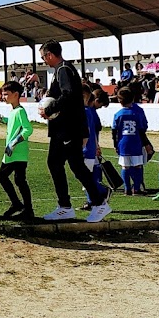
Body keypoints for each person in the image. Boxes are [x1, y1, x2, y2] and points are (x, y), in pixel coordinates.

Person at [38, 40, 112, 222]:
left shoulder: (63, 69)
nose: (43, 61)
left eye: (43, 57)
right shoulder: (65, 69)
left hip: (67, 129)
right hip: (68, 128)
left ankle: (84, 204)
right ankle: (75, 205)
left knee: (58, 163)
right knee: (73, 165)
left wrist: (49, 108)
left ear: (50, 54)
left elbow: (69, 94)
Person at [0, 81, 34, 219]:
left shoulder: (20, 111)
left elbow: (28, 129)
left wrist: (13, 143)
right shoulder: (14, 111)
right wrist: (4, 119)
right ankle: (25, 208)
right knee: (19, 180)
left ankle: (19, 205)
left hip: (16, 152)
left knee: (4, 176)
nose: (3, 97)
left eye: (6, 94)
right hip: (16, 153)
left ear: (16, 94)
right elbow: (15, 123)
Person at [112, 85, 147, 195]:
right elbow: (143, 128)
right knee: (137, 166)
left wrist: (115, 144)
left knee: (125, 166)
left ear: (119, 101)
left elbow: (114, 131)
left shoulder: (118, 114)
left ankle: (127, 188)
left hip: (123, 144)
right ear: (133, 99)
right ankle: (136, 188)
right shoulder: (137, 113)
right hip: (136, 143)